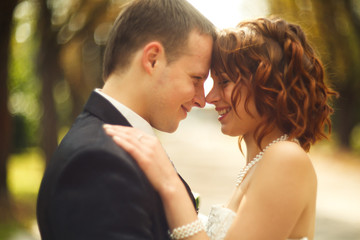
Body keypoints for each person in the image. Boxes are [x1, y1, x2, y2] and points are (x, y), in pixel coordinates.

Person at [103, 17, 338, 240]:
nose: (209, 97)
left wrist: (170, 185)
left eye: (224, 82)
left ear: (267, 85)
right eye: (211, 82)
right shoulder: (260, 162)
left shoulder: (286, 158)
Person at [36, 0, 216, 239]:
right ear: (153, 59)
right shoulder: (97, 163)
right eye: (196, 79)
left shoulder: (116, 146)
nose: (202, 100)